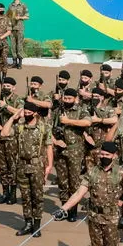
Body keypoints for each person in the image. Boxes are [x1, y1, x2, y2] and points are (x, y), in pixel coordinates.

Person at [0, 102, 53, 236]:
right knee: (25, 196)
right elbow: (4, 133)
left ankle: (36, 225)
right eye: (26, 112)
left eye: (30, 112)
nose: (27, 114)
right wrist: (13, 118)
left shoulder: (43, 127)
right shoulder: (20, 127)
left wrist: (49, 166)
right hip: (22, 165)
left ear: (35, 113)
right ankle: (28, 223)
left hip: (37, 166)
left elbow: (49, 146)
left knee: (37, 196)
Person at [52, 88, 92, 222]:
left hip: (75, 151)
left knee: (74, 181)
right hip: (60, 151)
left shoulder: (81, 110)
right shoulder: (57, 111)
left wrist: (68, 121)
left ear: (76, 99)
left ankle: (73, 210)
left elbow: (87, 122)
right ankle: (64, 209)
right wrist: (55, 140)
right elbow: (48, 128)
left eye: (70, 99)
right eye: (65, 98)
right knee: (62, 181)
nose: (67, 101)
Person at [0, 77, 23, 205]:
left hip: (12, 137)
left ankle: (12, 193)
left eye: (8, 86)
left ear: (13, 88)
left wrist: (6, 106)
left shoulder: (18, 100)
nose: (6, 88)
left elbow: (21, 114)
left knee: (12, 166)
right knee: (2, 166)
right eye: (4, 85)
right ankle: (5, 192)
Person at [6, 0, 29, 69]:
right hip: (12, 29)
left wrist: (20, 17)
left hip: (19, 28)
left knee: (19, 46)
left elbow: (27, 16)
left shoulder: (23, 5)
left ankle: (20, 63)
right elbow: (7, 16)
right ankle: (14, 62)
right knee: (13, 46)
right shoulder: (10, 5)